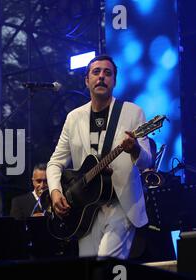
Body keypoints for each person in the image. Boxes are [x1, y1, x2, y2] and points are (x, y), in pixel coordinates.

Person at [46, 55, 151, 259]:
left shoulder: (132, 112)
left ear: (114, 81)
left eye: (107, 73)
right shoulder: (74, 117)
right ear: (87, 80)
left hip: (121, 204)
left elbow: (147, 162)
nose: (102, 77)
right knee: (89, 273)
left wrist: (134, 149)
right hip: (86, 209)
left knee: (106, 263)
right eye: (96, 72)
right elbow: (55, 162)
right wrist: (56, 192)